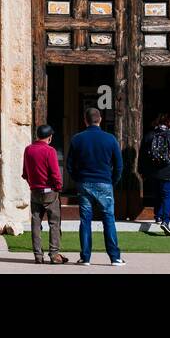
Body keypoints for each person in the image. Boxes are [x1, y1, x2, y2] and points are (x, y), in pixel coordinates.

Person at [67, 107, 125, 267]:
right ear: (99, 120)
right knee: (109, 219)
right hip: (104, 182)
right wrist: (112, 181)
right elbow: (119, 165)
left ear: (85, 120)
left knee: (85, 219)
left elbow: (70, 165)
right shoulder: (110, 139)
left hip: (84, 183)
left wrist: (78, 179)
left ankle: (85, 257)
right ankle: (115, 257)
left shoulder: (77, 139)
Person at [22, 124, 67, 264]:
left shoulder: (28, 150)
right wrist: (59, 187)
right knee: (54, 223)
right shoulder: (50, 151)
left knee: (36, 223)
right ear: (50, 137)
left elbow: (25, 173)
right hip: (50, 191)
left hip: (35, 191)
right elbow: (55, 173)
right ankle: (54, 254)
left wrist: (32, 185)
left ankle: (38, 255)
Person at [139, 112, 170, 235]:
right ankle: (165, 221)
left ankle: (158, 216)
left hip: (154, 172)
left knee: (157, 194)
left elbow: (142, 155)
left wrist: (143, 171)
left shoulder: (150, 135)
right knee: (168, 196)